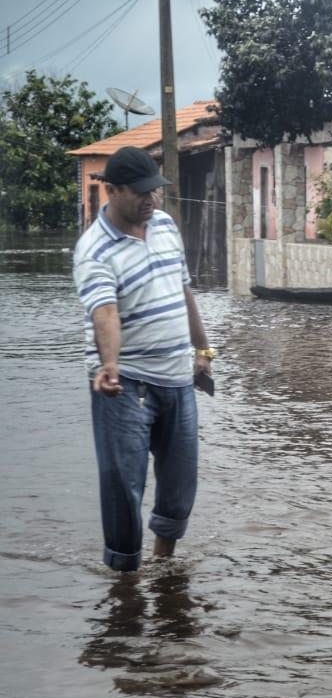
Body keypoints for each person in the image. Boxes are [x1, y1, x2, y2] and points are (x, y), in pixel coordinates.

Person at [74, 146, 215, 571]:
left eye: (155, 190)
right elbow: (105, 312)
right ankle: (125, 582)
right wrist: (110, 364)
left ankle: (163, 567)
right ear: (111, 190)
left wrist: (203, 350)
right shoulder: (94, 250)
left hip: (175, 377)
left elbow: (183, 290)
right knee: (123, 486)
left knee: (179, 484)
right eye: (141, 193)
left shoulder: (166, 225)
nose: (151, 200)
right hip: (126, 383)